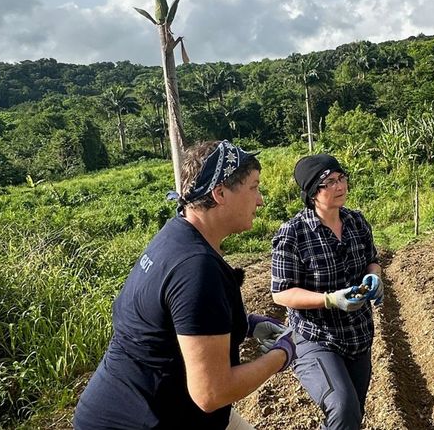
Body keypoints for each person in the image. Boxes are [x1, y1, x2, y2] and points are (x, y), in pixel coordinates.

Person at [74, 140, 296, 430]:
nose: (261, 200)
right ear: (219, 194)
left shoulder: (178, 234)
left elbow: (178, 318)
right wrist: (282, 354)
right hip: (138, 420)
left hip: (144, 404)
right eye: (254, 187)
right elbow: (211, 393)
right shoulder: (196, 267)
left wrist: (245, 322)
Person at [270, 154, 383, 430]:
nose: (339, 186)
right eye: (329, 182)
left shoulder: (356, 222)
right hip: (315, 337)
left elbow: (373, 259)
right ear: (312, 193)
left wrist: (374, 277)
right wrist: (329, 300)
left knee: (352, 413)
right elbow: (281, 293)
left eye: (341, 178)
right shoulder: (293, 234)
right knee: (343, 408)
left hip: (358, 334)